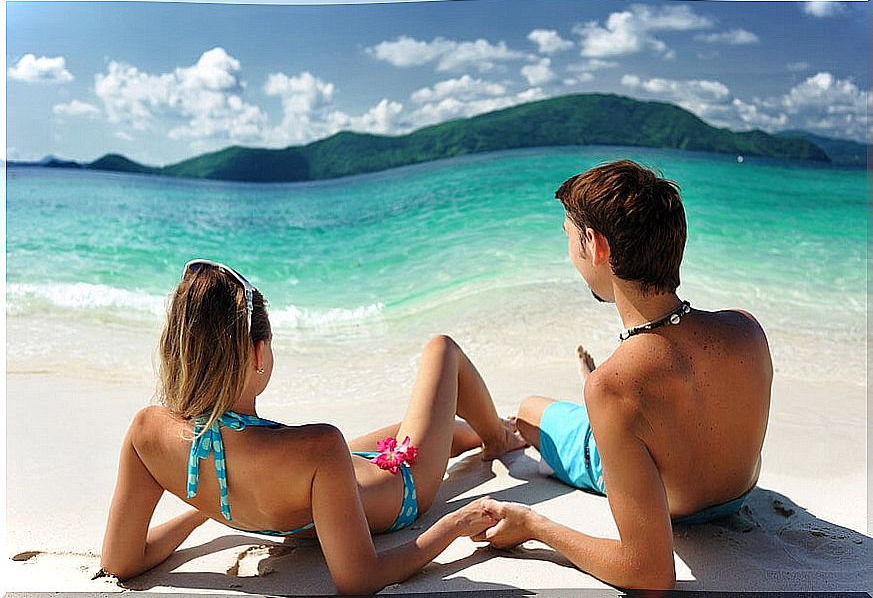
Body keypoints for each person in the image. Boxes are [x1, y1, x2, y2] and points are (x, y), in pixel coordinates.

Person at [100, 259, 525, 594]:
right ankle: (500, 438)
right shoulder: (316, 445)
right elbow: (359, 579)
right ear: (258, 353)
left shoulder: (147, 433)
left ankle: (481, 433)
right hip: (402, 490)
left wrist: (206, 511)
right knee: (442, 351)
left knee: (439, 427)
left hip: (316, 486)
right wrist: (454, 524)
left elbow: (121, 561)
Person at [475, 160, 773, 590]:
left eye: (569, 239)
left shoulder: (612, 386)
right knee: (615, 399)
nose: (569, 256)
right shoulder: (747, 328)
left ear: (596, 246)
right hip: (736, 494)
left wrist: (532, 525)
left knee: (528, 412)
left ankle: (544, 428)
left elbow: (650, 575)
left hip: (675, 503)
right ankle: (611, 422)